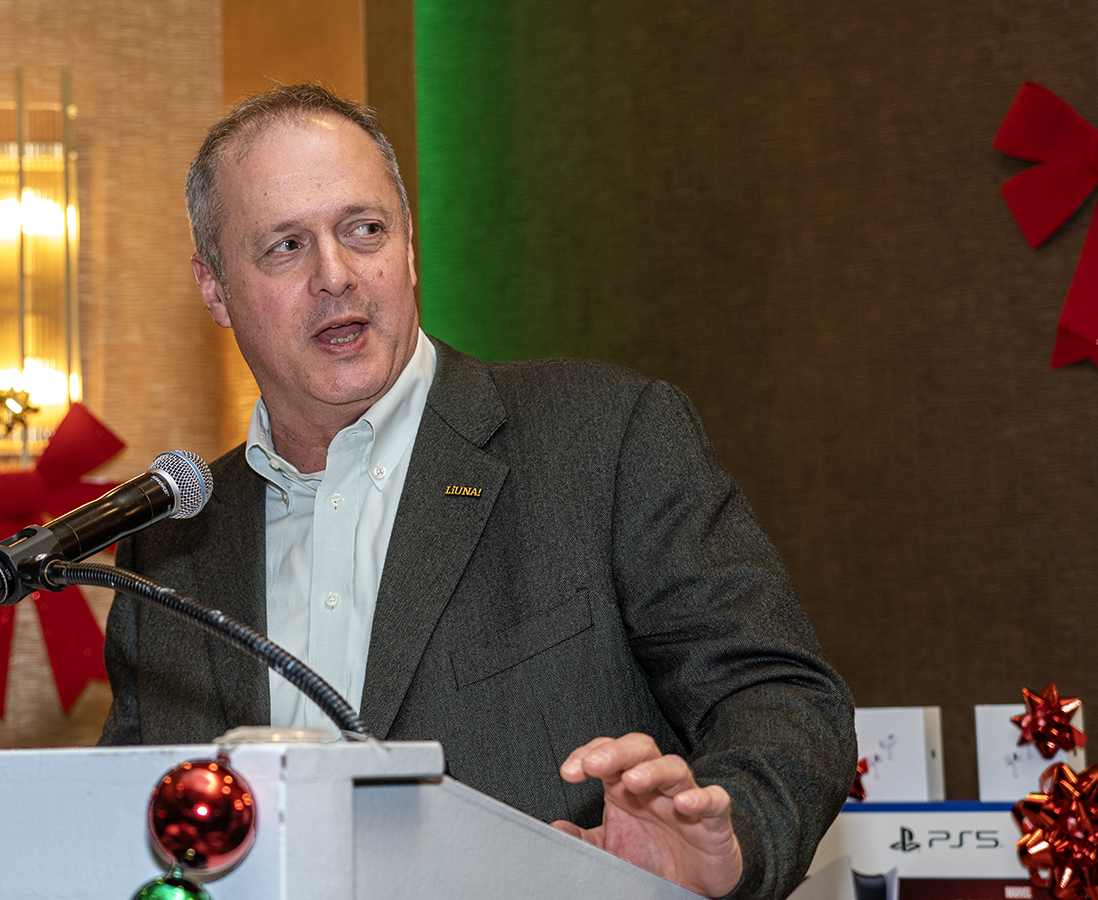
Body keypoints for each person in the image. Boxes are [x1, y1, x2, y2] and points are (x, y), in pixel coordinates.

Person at [99, 84, 856, 900]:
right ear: (214, 288)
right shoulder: (172, 540)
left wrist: (729, 841)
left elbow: (779, 695)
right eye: (286, 246)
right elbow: (128, 818)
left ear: (409, 247)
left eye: (364, 230)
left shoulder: (603, 438)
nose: (336, 275)